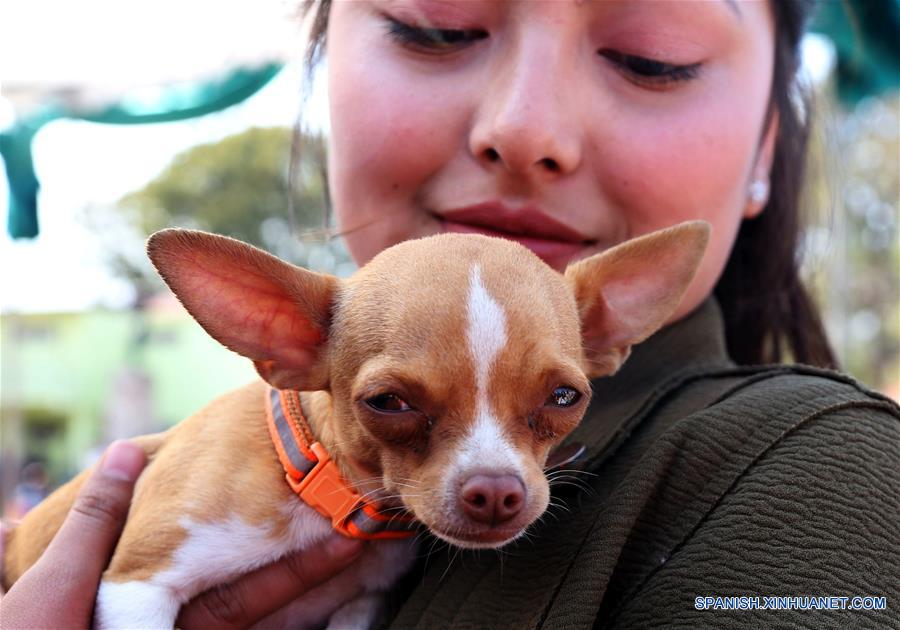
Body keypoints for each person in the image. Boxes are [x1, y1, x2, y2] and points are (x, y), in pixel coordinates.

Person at [3, 1, 898, 627]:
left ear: (769, 149)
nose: (525, 127)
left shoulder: (825, 478)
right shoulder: (288, 451)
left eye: (650, 56)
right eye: (436, 30)